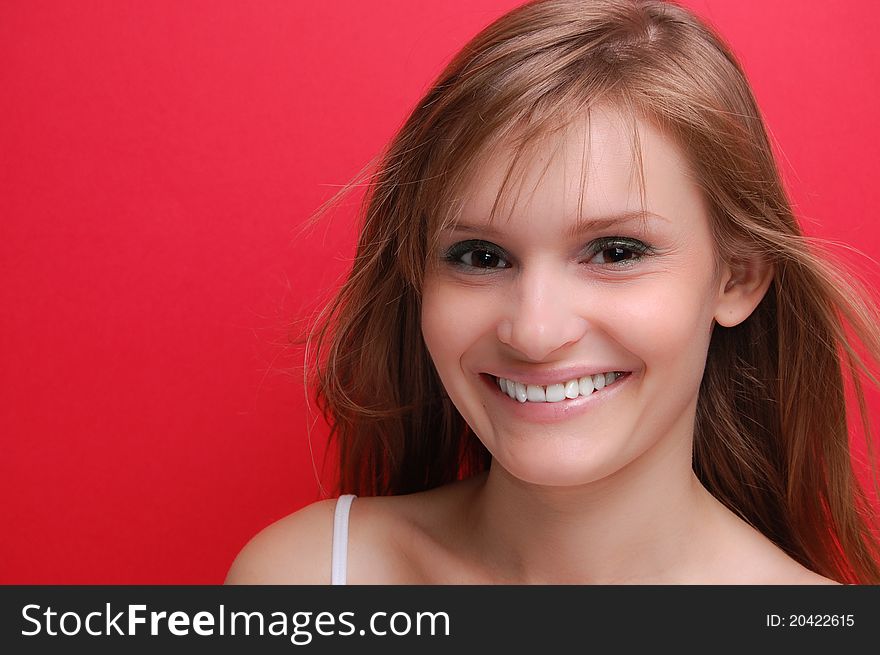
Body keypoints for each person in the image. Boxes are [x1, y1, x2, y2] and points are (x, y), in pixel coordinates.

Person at [225, 0, 880, 585]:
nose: (534, 331)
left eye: (616, 252)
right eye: (481, 256)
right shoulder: (305, 582)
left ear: (737, 276)